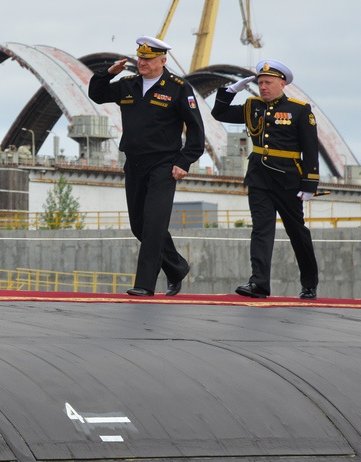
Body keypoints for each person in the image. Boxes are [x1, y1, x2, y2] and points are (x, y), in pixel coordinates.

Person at [88, 36, 205, 297]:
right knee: (139, 225)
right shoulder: (127, 84)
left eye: (148, 59)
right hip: (135, 162)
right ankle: (176, 267)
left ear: (163, 61)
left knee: (154, 223)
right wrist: (107, 73)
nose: (142, 63)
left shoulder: (178, 88)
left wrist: (184, 161)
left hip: (164, 164)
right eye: (140, 58)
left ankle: (145, 284)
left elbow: (197, 130)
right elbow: (96, 94)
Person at [212, 60, 320, 299]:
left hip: (288, 180)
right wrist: (230, 92)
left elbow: (310, 149)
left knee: (296, 232)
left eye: (268, 82)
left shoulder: (299, 109)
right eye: (260, 82)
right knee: (261, 230)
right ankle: (259, 284)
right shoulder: (252, 106)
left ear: (282, 83)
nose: (263, 87)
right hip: (259, 178)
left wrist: (310, 183)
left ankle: (309, 282)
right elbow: (218, 113)